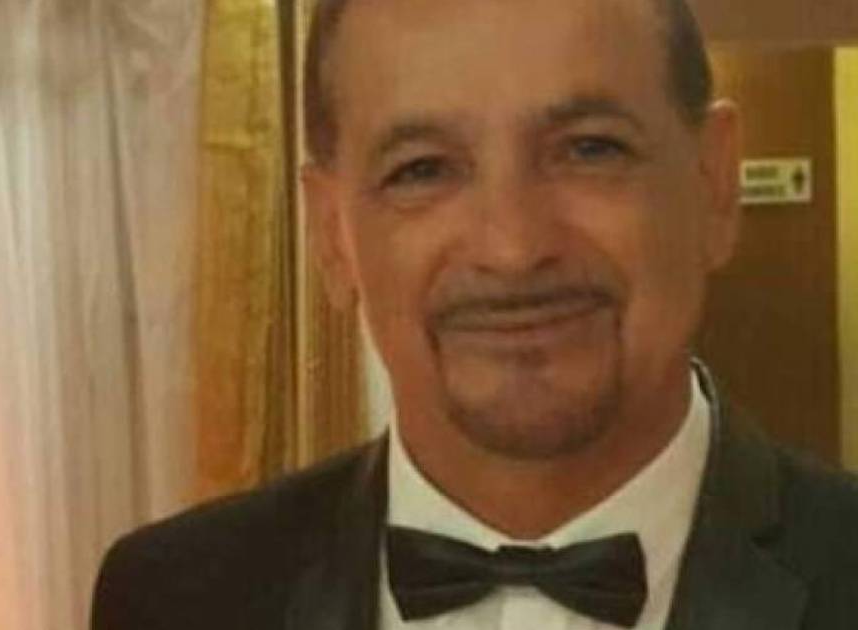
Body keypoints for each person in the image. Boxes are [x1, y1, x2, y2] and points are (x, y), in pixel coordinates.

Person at [91, 0, 858, 627]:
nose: (513, 248)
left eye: (589, 149)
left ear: (713, 184)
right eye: (423, 169)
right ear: (332, 237)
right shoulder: (175, 599)